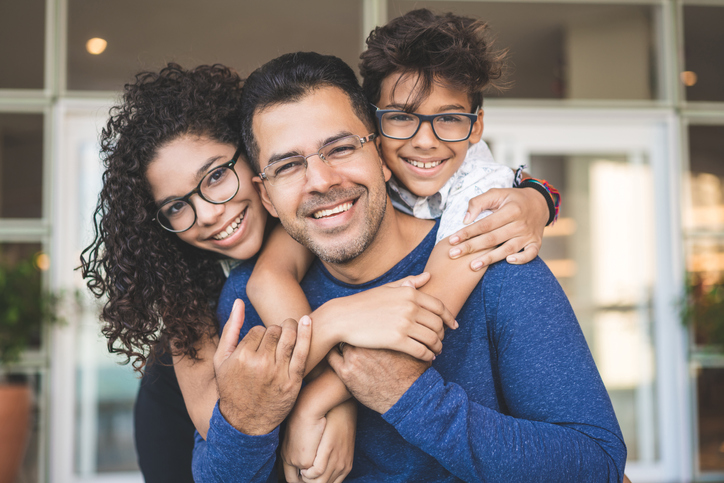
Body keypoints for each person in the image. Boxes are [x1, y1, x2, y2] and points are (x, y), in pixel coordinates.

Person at [80, 63, 547, 481]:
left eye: (216, 177)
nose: (208, 213)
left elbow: (467, 176)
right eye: (178, 206)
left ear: (251, 155)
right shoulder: (194, 304)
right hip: (176, 432)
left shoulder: (316, 220)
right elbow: (227, 425)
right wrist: (334, 328)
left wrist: (537, 197)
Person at [192, 51, 627, 482]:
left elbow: (599, 464)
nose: (321, 181)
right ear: (266, 196)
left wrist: (412, 397)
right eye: (287, 166)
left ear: (380, 156)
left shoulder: (496, 261)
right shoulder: (245, 302)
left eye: (341, 148)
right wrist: (248, 418)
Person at [245, 10, 559, 476]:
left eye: (449, 119)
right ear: (374, 123)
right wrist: (331, 322)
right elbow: (269, 276)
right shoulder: (346, 181)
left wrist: (318, 402)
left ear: (476, 127)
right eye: (401, 118)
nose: (425, 142)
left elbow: (420, 313)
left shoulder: (478, 194)